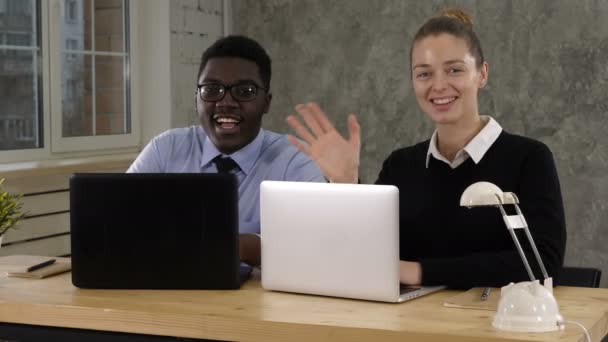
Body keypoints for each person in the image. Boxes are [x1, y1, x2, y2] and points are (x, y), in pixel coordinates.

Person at [286, 9, 566, 289]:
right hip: (409, 324)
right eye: (424, 74)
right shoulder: (401, 165)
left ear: (482, 74)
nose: (439, 85)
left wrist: (419, 272)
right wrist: (347, 184)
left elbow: (543, 260)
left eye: (454, 70)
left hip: (495, 325)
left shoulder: (529, 159)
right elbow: (367, 254)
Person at [128, 35, 324, 266]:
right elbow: (120, 219)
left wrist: (240, 246)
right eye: (212, 90)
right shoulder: (166, 149)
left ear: (267, 102)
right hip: (168, 289)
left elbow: (316, 244)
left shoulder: (294, 160)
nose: (226, 102)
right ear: (196, 99)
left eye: (245, 91)